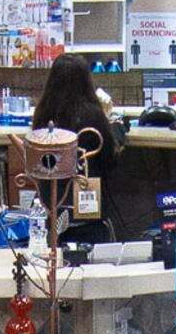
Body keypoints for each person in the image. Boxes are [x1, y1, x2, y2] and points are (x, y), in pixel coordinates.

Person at [27, 53, 118, 219]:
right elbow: (108, 159)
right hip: (86, 203)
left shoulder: (43, 115)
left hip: (49, 203)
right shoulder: (92, 116)